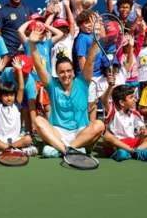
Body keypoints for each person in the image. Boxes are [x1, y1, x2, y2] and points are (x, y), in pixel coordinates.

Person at [29, 28, 105, 157]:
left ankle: (66, 148)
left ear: (73, 72)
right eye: (62, 72)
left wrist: (95, 39)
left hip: (80, 133)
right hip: (58, 133)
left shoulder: (82, 82)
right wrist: (32, 44)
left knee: (99, 125)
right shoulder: (52, 85)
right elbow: (38, 65)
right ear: (57, 74)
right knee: (38, 120)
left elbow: (90, 59)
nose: (66, 75)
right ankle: (68, 150)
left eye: (69, 71)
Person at [102, 84, 147, 162]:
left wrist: (143, 130)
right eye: (131, 97)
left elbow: (143, 129)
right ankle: (135, 152)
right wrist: (109, 87)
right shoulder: (113, 111)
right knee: (107, 137)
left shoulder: (134, 114)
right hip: (117, 144)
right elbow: (104, 100)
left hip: (131, 143)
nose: (135, 100)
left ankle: (133, 152)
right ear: (122, 102)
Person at [0, 0, 32, 64]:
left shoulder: (28, 10)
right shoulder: (1, 12)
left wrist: (52, 2)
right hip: (8, 58)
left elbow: (39, 26)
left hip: (26, 56)